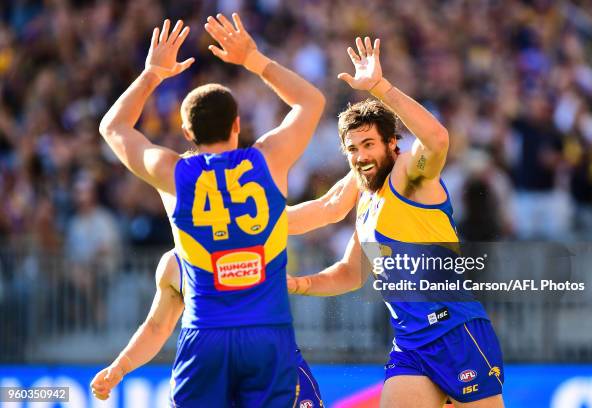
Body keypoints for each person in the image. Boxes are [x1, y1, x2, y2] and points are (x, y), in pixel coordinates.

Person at [91, 13, 325, 407]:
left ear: (186, 133)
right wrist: (254, 59)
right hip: (268, 332)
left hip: (205, 333)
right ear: (237, 125)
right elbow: (311, 101)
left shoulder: (172, 173)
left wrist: (152, 74)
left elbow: (112, 128)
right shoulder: (269, 160)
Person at [287, 37, 504, 407]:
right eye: (352, 149)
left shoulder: (408, 174)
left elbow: (437, 139)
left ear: (392, 144)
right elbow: (348, 269)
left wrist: (379, 88)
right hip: (410, 344)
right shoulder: (364, 197)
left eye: (369, 144)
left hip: (455, 329)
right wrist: (295, 281)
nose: (360, 156)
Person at [90, 251, 324, 407]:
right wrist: (120, 367)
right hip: (214, 373)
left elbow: (322, 210)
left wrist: (356, 185)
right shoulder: (175, 263)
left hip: (272, 368)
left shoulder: (253, 235)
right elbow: (157, 327)